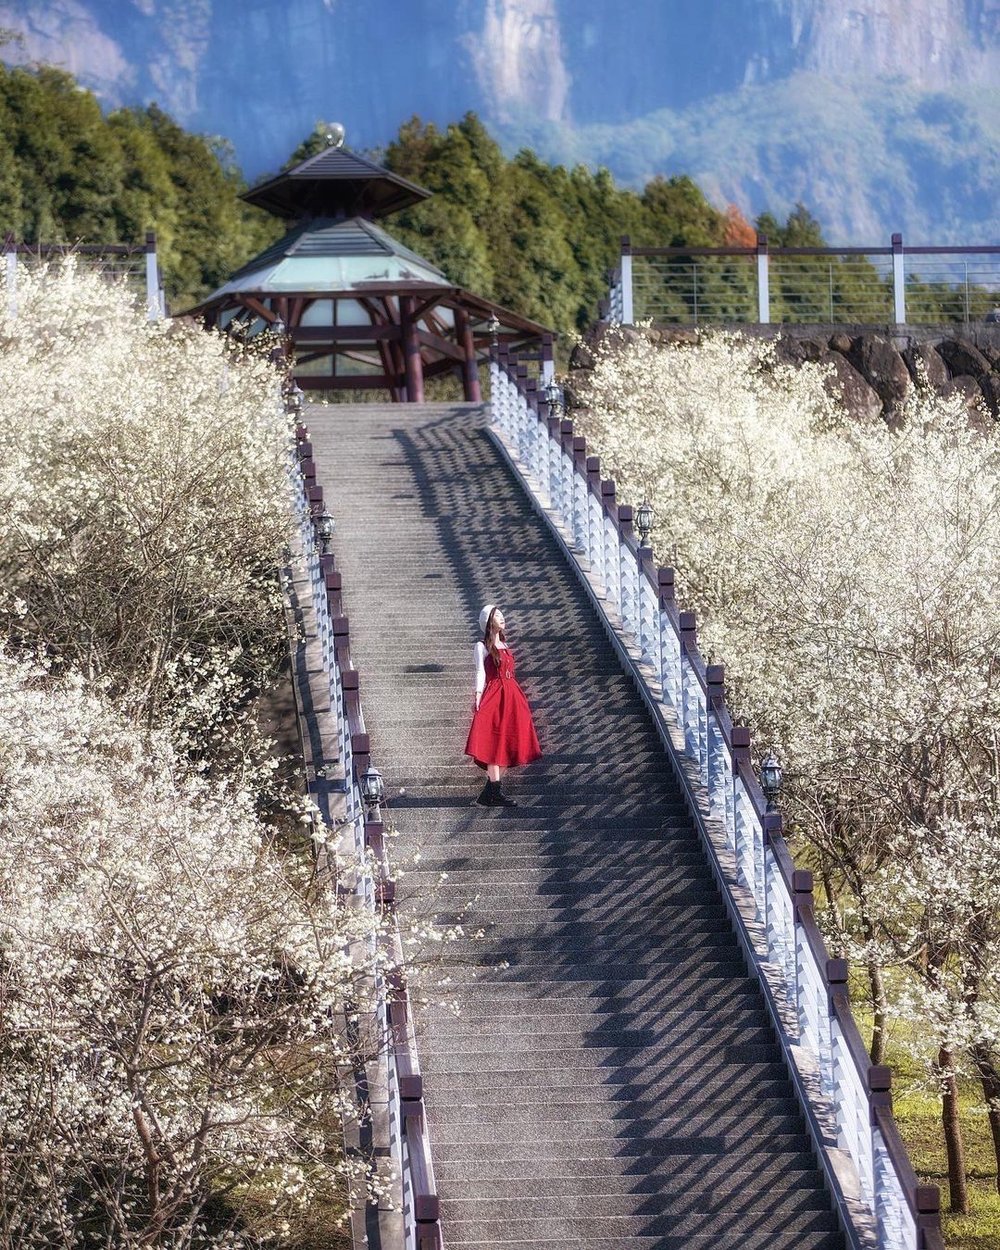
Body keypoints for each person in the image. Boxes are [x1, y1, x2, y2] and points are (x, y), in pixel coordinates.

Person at [465, 603, 541, 806]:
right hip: (494, 694)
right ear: (489, 622)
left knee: (509, 740)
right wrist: (477, 696)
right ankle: (495, 793)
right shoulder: (482, 647)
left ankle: (488, 794)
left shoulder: (505, 647)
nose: (502, 617)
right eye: (497, 615)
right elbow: (480, 672)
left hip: (512, 695)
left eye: (501, 614)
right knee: (492, 742)